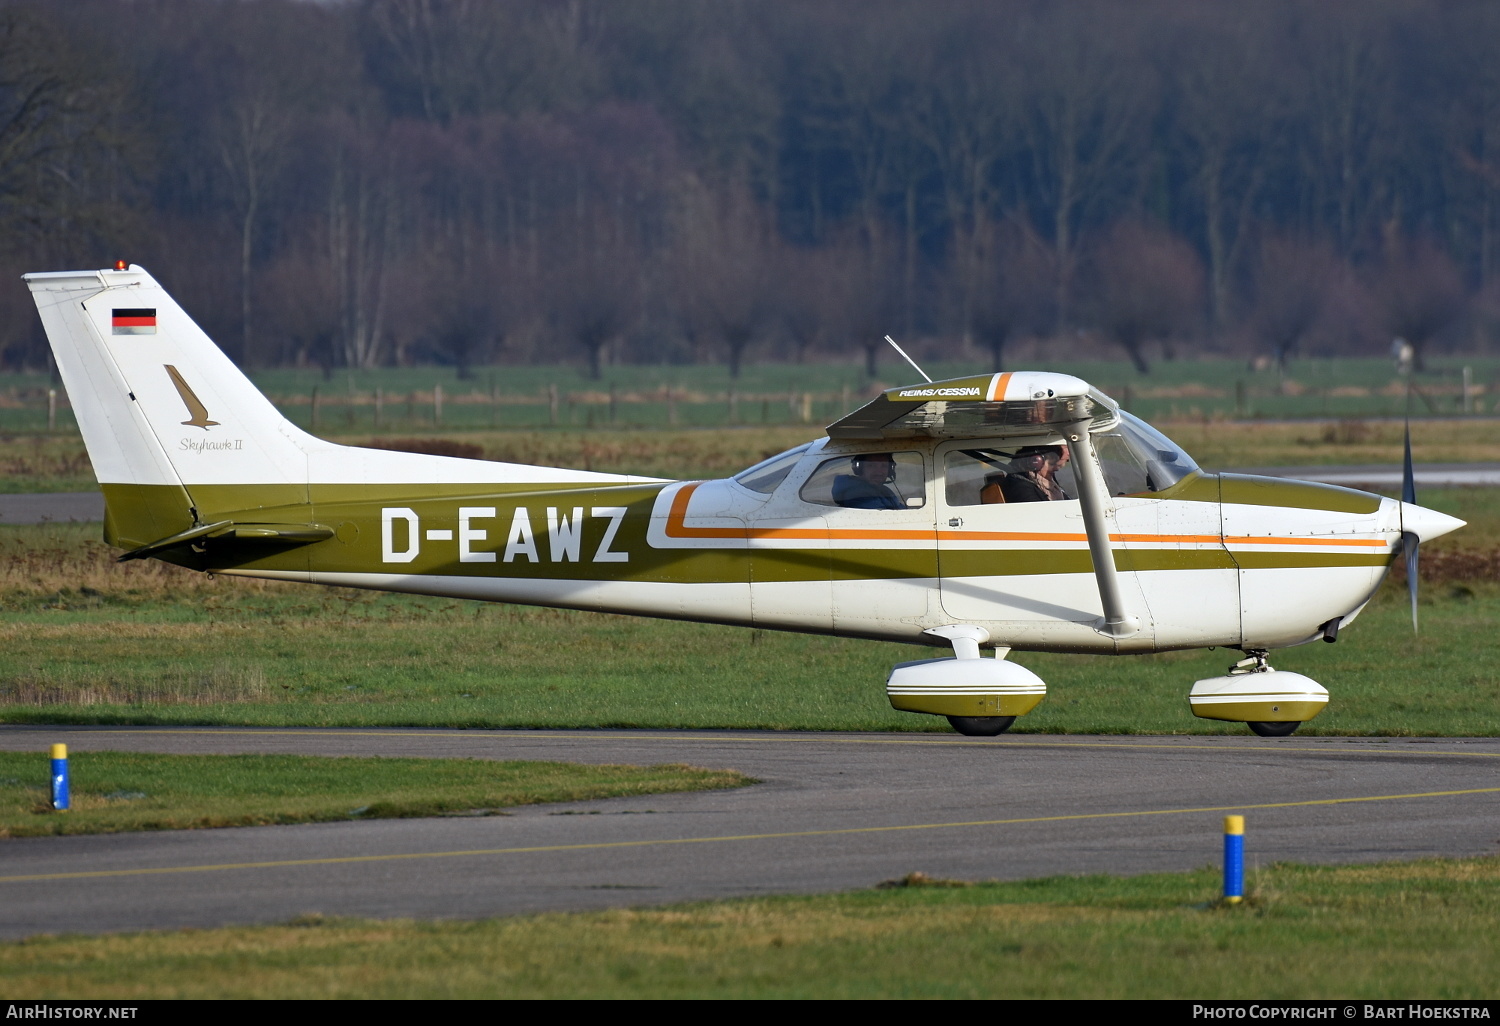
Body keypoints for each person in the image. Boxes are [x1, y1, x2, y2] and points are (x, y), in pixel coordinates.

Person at [1000, 445, 1071, 502]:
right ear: (1036, 462)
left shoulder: (1046, 483)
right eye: (1051, 464)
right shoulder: (1021, 489)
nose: (1056, 468)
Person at [832, 453, 904, 509]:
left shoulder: (884, 491)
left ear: (890, 470)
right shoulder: (858, 494)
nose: (879, 472)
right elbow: (881, 518)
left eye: (884, 466)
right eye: (871, 465)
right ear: (860, 468)